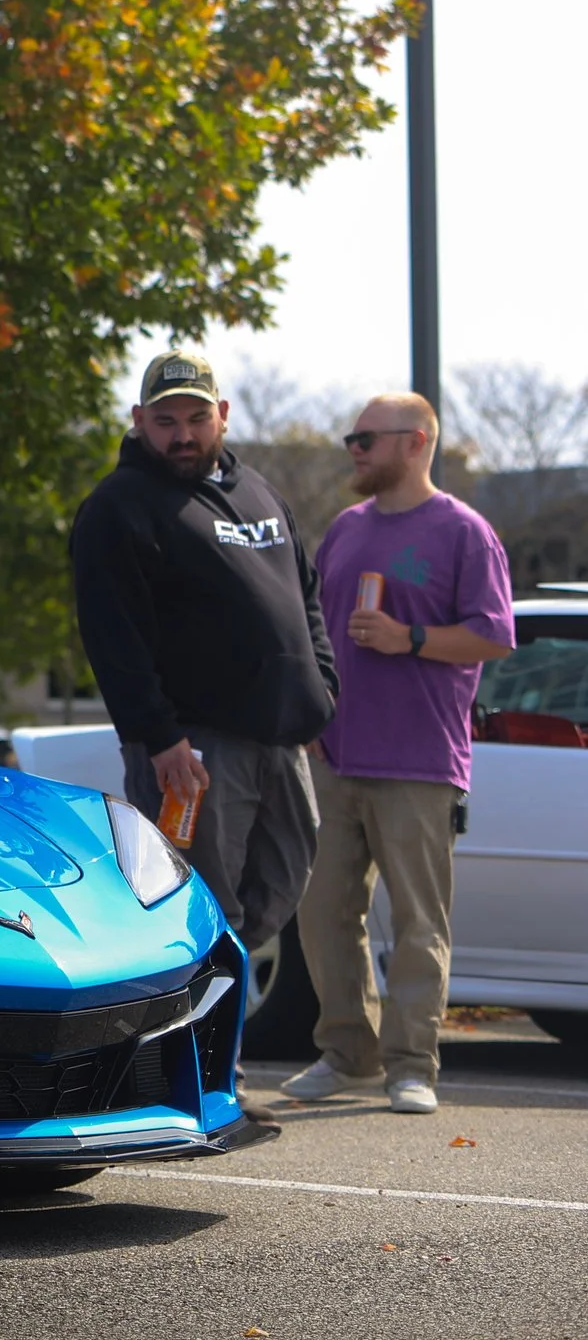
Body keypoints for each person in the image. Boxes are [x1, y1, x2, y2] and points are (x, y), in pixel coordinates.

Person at [70, 347, 337, 976]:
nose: (182, 434)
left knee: (282, 883)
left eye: (195, 417)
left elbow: (307, 598)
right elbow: (113, 638)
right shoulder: (118, 507)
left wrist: (321, 691)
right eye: (165, 421)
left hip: (284, 741)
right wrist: (160, 737)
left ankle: (217, 1028)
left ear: (221, 414)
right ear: (139, 419)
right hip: (194, 754)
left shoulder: (261, 493)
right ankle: (203, 1062)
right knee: (199, 911)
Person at [281, 394, 513, 1115]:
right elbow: (313, 627)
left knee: (418, 919)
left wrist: (409, 638)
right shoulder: (346, 529)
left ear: (414, 442)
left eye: (365, 439)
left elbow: (494, 635)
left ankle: (413, 1064)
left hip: (419, 758)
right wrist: (313, 711)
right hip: (336, 753)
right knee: (323, 911)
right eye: (351, 437)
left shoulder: (464, 532)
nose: (353, 449)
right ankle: (346, 1050)